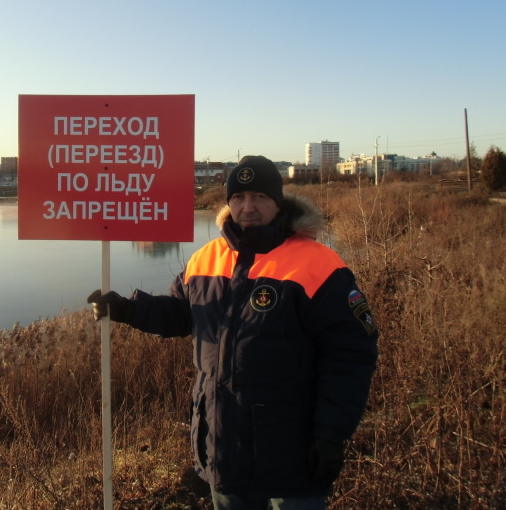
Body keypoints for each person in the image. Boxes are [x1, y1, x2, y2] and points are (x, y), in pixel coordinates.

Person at [88, 155, 378, 510]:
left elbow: (352, 354)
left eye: (259, 197)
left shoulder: (317, 264)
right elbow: (182, 314)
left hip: (291, 453)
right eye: (238, 198)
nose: (248, 207)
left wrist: (331, 434)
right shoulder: (206, 259)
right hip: (222, 445)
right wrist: (128, 309)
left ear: (277, 202)